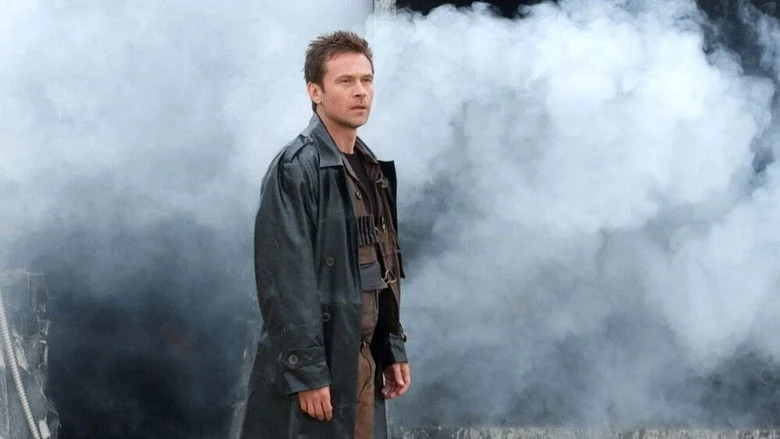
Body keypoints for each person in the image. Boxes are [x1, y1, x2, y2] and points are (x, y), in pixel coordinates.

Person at [239, 31, 411, 439]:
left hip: (362, 359)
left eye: (366, 80)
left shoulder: (370, 167)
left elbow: (382, 266)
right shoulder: (295, 168)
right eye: (345, 81)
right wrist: (308, 372)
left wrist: (391, 346)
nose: (360, 91)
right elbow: (284, 281)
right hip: (321, 368)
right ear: (315, 92)